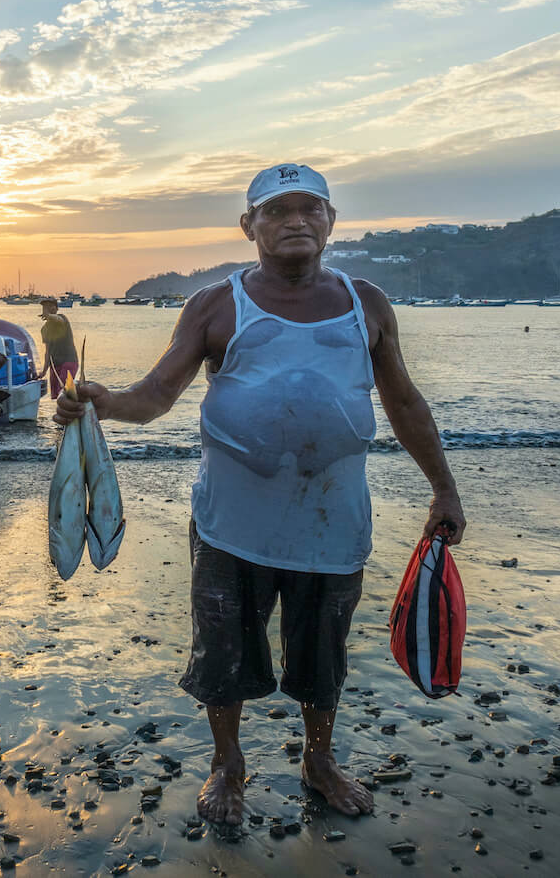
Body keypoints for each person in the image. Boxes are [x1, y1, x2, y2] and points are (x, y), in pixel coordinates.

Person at [53, 163, 465, 826]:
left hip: (332, 525)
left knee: (323, 653)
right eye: (277, 211)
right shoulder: (215, 305)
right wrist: (104, 402)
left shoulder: (368, 304)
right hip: (231, 524)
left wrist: (444, 488)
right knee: (224, 652)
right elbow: (156, 396)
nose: (296, 221)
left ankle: (319, 760)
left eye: (311, 208)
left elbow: (405, 402)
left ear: (332, 220)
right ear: (250, 226)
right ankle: (228, 765)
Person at [39, 298, 79, 399]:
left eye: (50, 306)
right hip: (55, 365)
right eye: (45, 307)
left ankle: (75, 412)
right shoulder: (44, 329)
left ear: (56, 309)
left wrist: (48, 315)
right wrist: (44, 371)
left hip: (69, 361)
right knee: (56, 396)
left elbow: (57, 319)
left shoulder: (62, 319)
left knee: (65, 392)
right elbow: (47, 351)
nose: (48, 309)